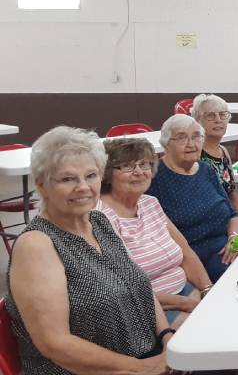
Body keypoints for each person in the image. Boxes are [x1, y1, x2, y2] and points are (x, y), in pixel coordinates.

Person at [5, 126, 169, 373]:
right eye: (68, 179)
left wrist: (168, 337)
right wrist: (140, 368)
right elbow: (55, 345)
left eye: (91, 175)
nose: (83, 186)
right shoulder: (37, 245)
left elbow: (139, 288)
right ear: (42, 184)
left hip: (144, 358)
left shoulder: (99, 221)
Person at [99, 137, 215, 328]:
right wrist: (186, 304)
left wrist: (207, 289)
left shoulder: (149, 202)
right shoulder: (102, 217)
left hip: (185, 291)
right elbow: (124, 288)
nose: (138, 172)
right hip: (144, 309)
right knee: (205, 332)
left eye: (144, 164)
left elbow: (185, 252)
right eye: (127, 166)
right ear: (108, 174)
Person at [147, 114, 238, 282]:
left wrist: (234, 238)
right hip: (190, 256)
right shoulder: (154, 177)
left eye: (196, 137)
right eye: (181, 138)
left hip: (226, 247)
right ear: (166, 144)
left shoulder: (205, 169)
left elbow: (232, 214)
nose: (191, 144)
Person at [192, 93, 238, 230]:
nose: (218, 120)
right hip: (210, 223)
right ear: (197, 120)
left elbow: (232, 192)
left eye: (223, 115)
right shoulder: (195, 154)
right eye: (210, 116)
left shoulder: (223, 151)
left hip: (230, 216)